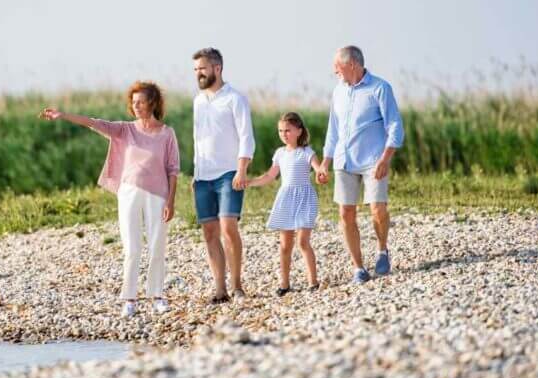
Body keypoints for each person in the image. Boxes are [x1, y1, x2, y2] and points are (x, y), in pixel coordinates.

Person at [40, 81, 179, 317]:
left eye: (141, 102)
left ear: (152, 103)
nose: (136, 107)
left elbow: (173, 169)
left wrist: (171, 201)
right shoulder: (125, 130)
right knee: (132, 248)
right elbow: (94, 123)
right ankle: (129, 299)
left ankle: (157, 296)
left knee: (157, 246)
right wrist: (63, 115)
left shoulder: (167, 134)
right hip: (129, 193)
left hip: (158, 195)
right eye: (133, 103)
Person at [316, 46, 404, 284]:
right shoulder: (338, 92)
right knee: (345, 213)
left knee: (378, 209)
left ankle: (382, 250)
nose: (334, 70)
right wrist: (325, 162)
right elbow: (332, 131)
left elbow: (395, 126)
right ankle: (358, 268)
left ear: (352, 64)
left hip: (374, 161)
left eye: (337, 66)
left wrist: (386, 159)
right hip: (344, 161)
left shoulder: (380, 88)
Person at [191, 47, 255, 303]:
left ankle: (237, 285)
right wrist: (195, 173)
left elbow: (246, 137)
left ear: (217, 68)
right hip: (203, 176)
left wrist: (242, 169)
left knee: (228, 228)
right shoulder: (198, 101)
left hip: (230, 173)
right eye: (196, 70)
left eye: (203, 69)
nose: (199, 74)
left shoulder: (235, 98)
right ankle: (220, 289)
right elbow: (198, 140)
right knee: (209, 232)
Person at [247, 112, 327, 295]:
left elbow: (318, 169)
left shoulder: (307, 152)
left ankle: (313, 281)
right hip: (286, 199)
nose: (284, 134)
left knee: (303, 241)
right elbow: (269, 176)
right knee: (285, 245)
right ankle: (284, 284)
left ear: (299, 131)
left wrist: (321, 174)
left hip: (305, 198)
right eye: (281, 131)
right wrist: (249, 182)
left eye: (288, 130)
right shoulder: (280, 153)